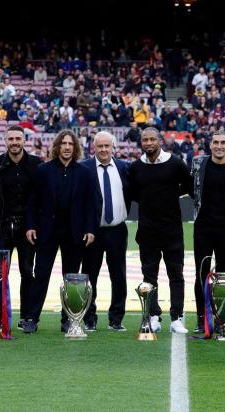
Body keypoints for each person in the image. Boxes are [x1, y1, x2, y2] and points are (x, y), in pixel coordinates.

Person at [22, 130, 96, 333]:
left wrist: (90, 229)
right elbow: (32, 201)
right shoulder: (43, 170)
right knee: (41, 275)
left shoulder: (84, 173)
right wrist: (30, 226)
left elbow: (91, 204)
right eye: (63, 143)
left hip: (75, 233)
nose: (66, 147)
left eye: (70, 144)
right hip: (47, 232)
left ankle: (68, 320)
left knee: (71, 279)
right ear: (57, 146)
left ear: (75, 147)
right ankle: (32, 319)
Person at [129, 127, 191, 334]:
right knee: (149, 277)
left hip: (172, 230)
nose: (148, 143)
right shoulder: (136, 167)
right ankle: (153, 316)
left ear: (160, 141)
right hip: (147, 231)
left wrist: (170, 193)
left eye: (152, 139)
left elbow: (189, 186)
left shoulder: (175, 163)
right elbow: (135, 193)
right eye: (145, 140)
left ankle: (177, 317)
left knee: (176, 275)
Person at [0, 125, 42, 330]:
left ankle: (27, 317)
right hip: (1, 229)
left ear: (24, 140)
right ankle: (2, 316)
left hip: (28, 230)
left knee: (28, 272)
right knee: (0, 274)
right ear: (5, 141)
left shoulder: (37, 165)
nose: (15, 142)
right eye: (11, 139)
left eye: (18, 138)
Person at [189, 131, 225, 333]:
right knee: (201, 274)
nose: (219, 146)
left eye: (223, 142)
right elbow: (191, 188)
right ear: (210, 145)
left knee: (223, 275)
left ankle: (222, 318)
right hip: (203, 227)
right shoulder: (198, 163)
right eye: (216, 142)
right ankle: (201, 319)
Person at [80, 131, 131, 332]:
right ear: (94, 147)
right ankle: (89, 318)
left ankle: (116, 318)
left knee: (119, 275)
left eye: (107, 146)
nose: (103, 150)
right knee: (89, 276)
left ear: (113, 147)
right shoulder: (84, 168)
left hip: (117, 230)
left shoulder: (124, 168)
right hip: (93, 232)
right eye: (99, 146)